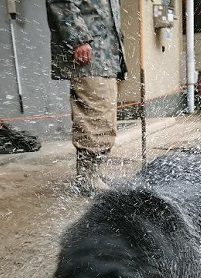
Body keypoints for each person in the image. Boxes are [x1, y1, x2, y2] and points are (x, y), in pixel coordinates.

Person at [46, 0, 127, 196]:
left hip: (106, 56)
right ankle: (88, 178)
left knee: (104, 118)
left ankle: (93, 173)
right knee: (95, 116)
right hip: (91, 58)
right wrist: (78, 39)